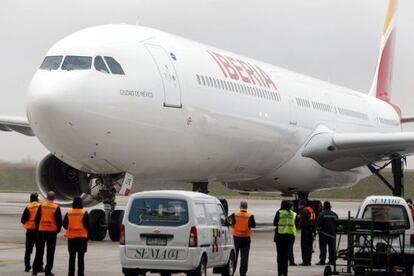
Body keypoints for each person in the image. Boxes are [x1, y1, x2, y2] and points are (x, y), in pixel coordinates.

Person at [32, 191, 62, 276]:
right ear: (54, 198)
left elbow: (37, 219)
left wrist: (38, 228)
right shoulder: (56, 207)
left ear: (47, 197)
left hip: (41, 231)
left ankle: (35, 271)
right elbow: (59, 221)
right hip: (52, 232)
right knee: (50, 253)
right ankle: (48, 271)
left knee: (39, 252)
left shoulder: (42, 206)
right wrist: (57, 231)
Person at [63, 197, 90, 276]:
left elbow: (64, 224)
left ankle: (70, 273)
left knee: (72, 257)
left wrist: (71, 227)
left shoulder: (69, 212)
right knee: (81, 258)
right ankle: (80, 273)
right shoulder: (84, 212)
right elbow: (88, 225)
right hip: (82, 237)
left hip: (71, 238)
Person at [228, 200, 256, 276]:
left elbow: (228, 221)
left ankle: (232, 271)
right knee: (244, 257)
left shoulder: (234, 214)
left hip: (236, 238)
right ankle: (242, 273)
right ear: (247, 207)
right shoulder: (250, 216)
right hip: (246, 239)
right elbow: (253, 225)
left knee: (234, 256)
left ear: (240, 207)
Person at [273, 200, 296, 276]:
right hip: (288, 237)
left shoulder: (279, 212)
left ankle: (279, 272)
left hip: (279, 237)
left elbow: (275, 223)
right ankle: (285, 272)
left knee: (280, 255)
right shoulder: (292, 213)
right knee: (286, 256)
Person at [21, 193, 41, 272]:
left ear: (30, 199)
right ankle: (37, 266)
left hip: (30, 231)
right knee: (39, 250)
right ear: (37, 199)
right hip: (38, 231)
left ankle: (27, 267)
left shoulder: (28, 207)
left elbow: (23, 220)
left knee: (28, 250)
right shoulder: (40, 206)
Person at [316, 201, 338, 266]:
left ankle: (322, 260)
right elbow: (337, 224)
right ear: (330, 206)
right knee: (332, 248)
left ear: (323, 206)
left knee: (323, 248)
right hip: (332, 235)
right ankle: (332, 260)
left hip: (324, 234)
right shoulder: (335, 214)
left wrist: (318, 230)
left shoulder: (321, 214)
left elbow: (318, 224)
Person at [298, 199, 316, 266]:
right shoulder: (310, 210)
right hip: (311, 230)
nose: (298, 206)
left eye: (299, 204)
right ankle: (308, 261)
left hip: (306, 231)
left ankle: (305, 262)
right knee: (309, 247)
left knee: (304, 246)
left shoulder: (304, 211)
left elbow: (304, 222)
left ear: (302, 205)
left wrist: (301, 226)